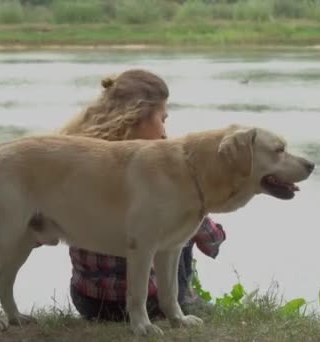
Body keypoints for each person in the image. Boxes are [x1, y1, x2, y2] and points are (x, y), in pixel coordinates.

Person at [56, 69, 226, 321]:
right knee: (183, 218)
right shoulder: (160, 170)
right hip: (151, 303)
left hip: (89, 301)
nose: (165, 133)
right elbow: (211, 240)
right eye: (162, 119)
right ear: (138, 116)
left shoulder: (71, 159)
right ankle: (185, 298)